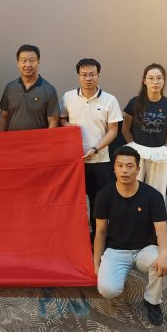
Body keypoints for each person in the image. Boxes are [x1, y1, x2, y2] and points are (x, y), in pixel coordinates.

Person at [93, 145, 167, 326]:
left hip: (145, 249)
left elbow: (162, 230)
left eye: (130, 166)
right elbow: (100, 231)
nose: (124, 170)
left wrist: (163, 254)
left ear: (138, 169)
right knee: (108, 290)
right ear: (114, 168)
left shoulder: (153, 196)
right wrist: (96, 262)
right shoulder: (104, 195)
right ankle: (117, 273)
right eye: (120, 165)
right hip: (116, 250)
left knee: (166, 264)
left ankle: (152, 301)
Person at [60, 58, 123, 243]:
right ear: (78, 76)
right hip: (75, 161)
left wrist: (95, 149)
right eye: (84, 75)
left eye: (92, 75)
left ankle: (98, 239)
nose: (88, 78)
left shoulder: (110, 100)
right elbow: (61, 119)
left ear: (98, 76)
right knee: (75, 202)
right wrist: (69, 126)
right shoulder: (68, 97)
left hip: (100, 160)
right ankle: (77, 240)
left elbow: (113, 130)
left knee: (99, 203)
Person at [121, 63, 167, 197]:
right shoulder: (134, 102)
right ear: (144, 81)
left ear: (164, 81)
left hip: (158, 154)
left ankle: (154, 210)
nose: (155, 82)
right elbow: (125, 129)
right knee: (132, 187)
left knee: (156, 190)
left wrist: (161, 148)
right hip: (137, 152)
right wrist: (132, 148)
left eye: (159, 78)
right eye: (151, 78)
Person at [0, 44, 59, 131]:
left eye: (32, 60)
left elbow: (53, 121)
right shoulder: (10, 87)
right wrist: (1, 138)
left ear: (38, 62)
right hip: (12, 139)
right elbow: (3, 116)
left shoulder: (49, 90)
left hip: (38, 139)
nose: (28, 64)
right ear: (18, 63)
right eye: (24, 60)